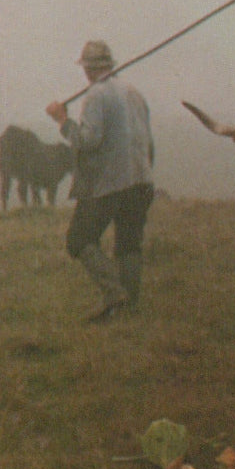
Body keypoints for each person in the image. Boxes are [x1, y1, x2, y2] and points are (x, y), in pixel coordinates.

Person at [46, 40, 155, 323]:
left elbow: (88, 141)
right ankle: (130, 307)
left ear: (88, 69)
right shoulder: (134, 92)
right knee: (129, 243)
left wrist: (63, 121)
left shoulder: (96, 95)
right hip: (141, 181)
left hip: (108, 184)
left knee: (79, 240)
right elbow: (147, 140)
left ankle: (114, 294)